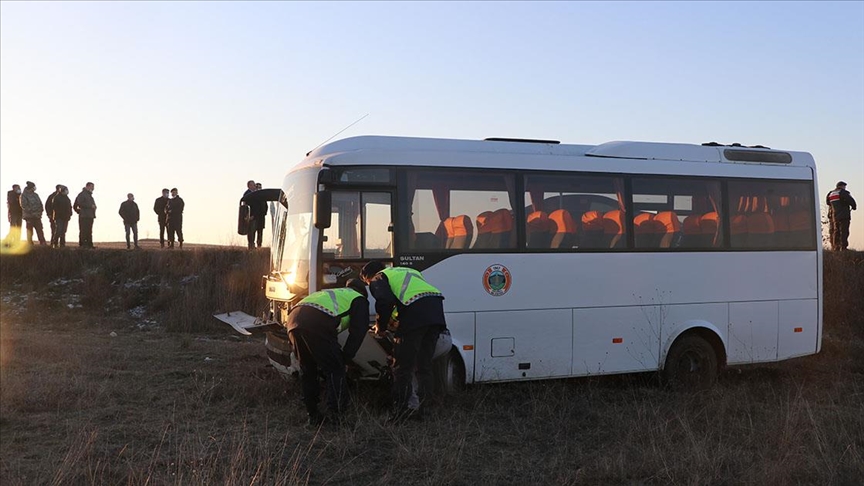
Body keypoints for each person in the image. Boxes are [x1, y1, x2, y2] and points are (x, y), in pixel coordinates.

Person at [360, 261, 447, 422]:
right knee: (424, 367)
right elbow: (403, 300)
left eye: (367, 283)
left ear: (368, 277)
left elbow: (384, 302)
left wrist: (381, 326)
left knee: (401, 368)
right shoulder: (405, 271)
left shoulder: (379, 278)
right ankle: (426, 412)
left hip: (415, 316)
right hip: (435, 310)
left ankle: (400, 413)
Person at [285, 279, 370, 426]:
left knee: (308, 370)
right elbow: (359, 331)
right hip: (316, 322)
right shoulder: (359, 299)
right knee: (335, 370)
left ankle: (313, 416)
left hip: (293, 320)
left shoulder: (333, 292)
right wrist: (345, 358)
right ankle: (337, 418)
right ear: (363, 292)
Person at [827, 181, 857, 251]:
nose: (845, 188)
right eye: (844, 186)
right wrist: (854, 206)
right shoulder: (843, 192)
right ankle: (843, 247)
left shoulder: (830, 194)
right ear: (842, 186)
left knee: (836, 231)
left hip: (834, 216)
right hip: (844, 215)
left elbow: (828, 203)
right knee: (844, 231)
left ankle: (835, 247)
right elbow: (851, 201)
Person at [19, 181, 47, 245]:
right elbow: (24, 206)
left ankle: (42, 242)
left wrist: (40, 211)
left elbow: (40, 204)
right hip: (29, 216)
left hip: (37, 216)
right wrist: (33, 211)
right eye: (33, 187)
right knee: (30, 231)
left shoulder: (35, 195)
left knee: (40, 230)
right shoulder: (23, 195)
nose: (34, 188)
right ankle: (30, 243)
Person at [73, 182, 97, 248]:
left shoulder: (89, 196)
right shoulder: (82, 195)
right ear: (88, 186)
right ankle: (83, 244)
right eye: (92, 187)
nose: (93, 188)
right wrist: (90, 206)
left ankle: (89, 244)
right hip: (84, 216)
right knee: (83, 230)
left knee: (89, 231)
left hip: (90, 216)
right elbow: (79, 204)